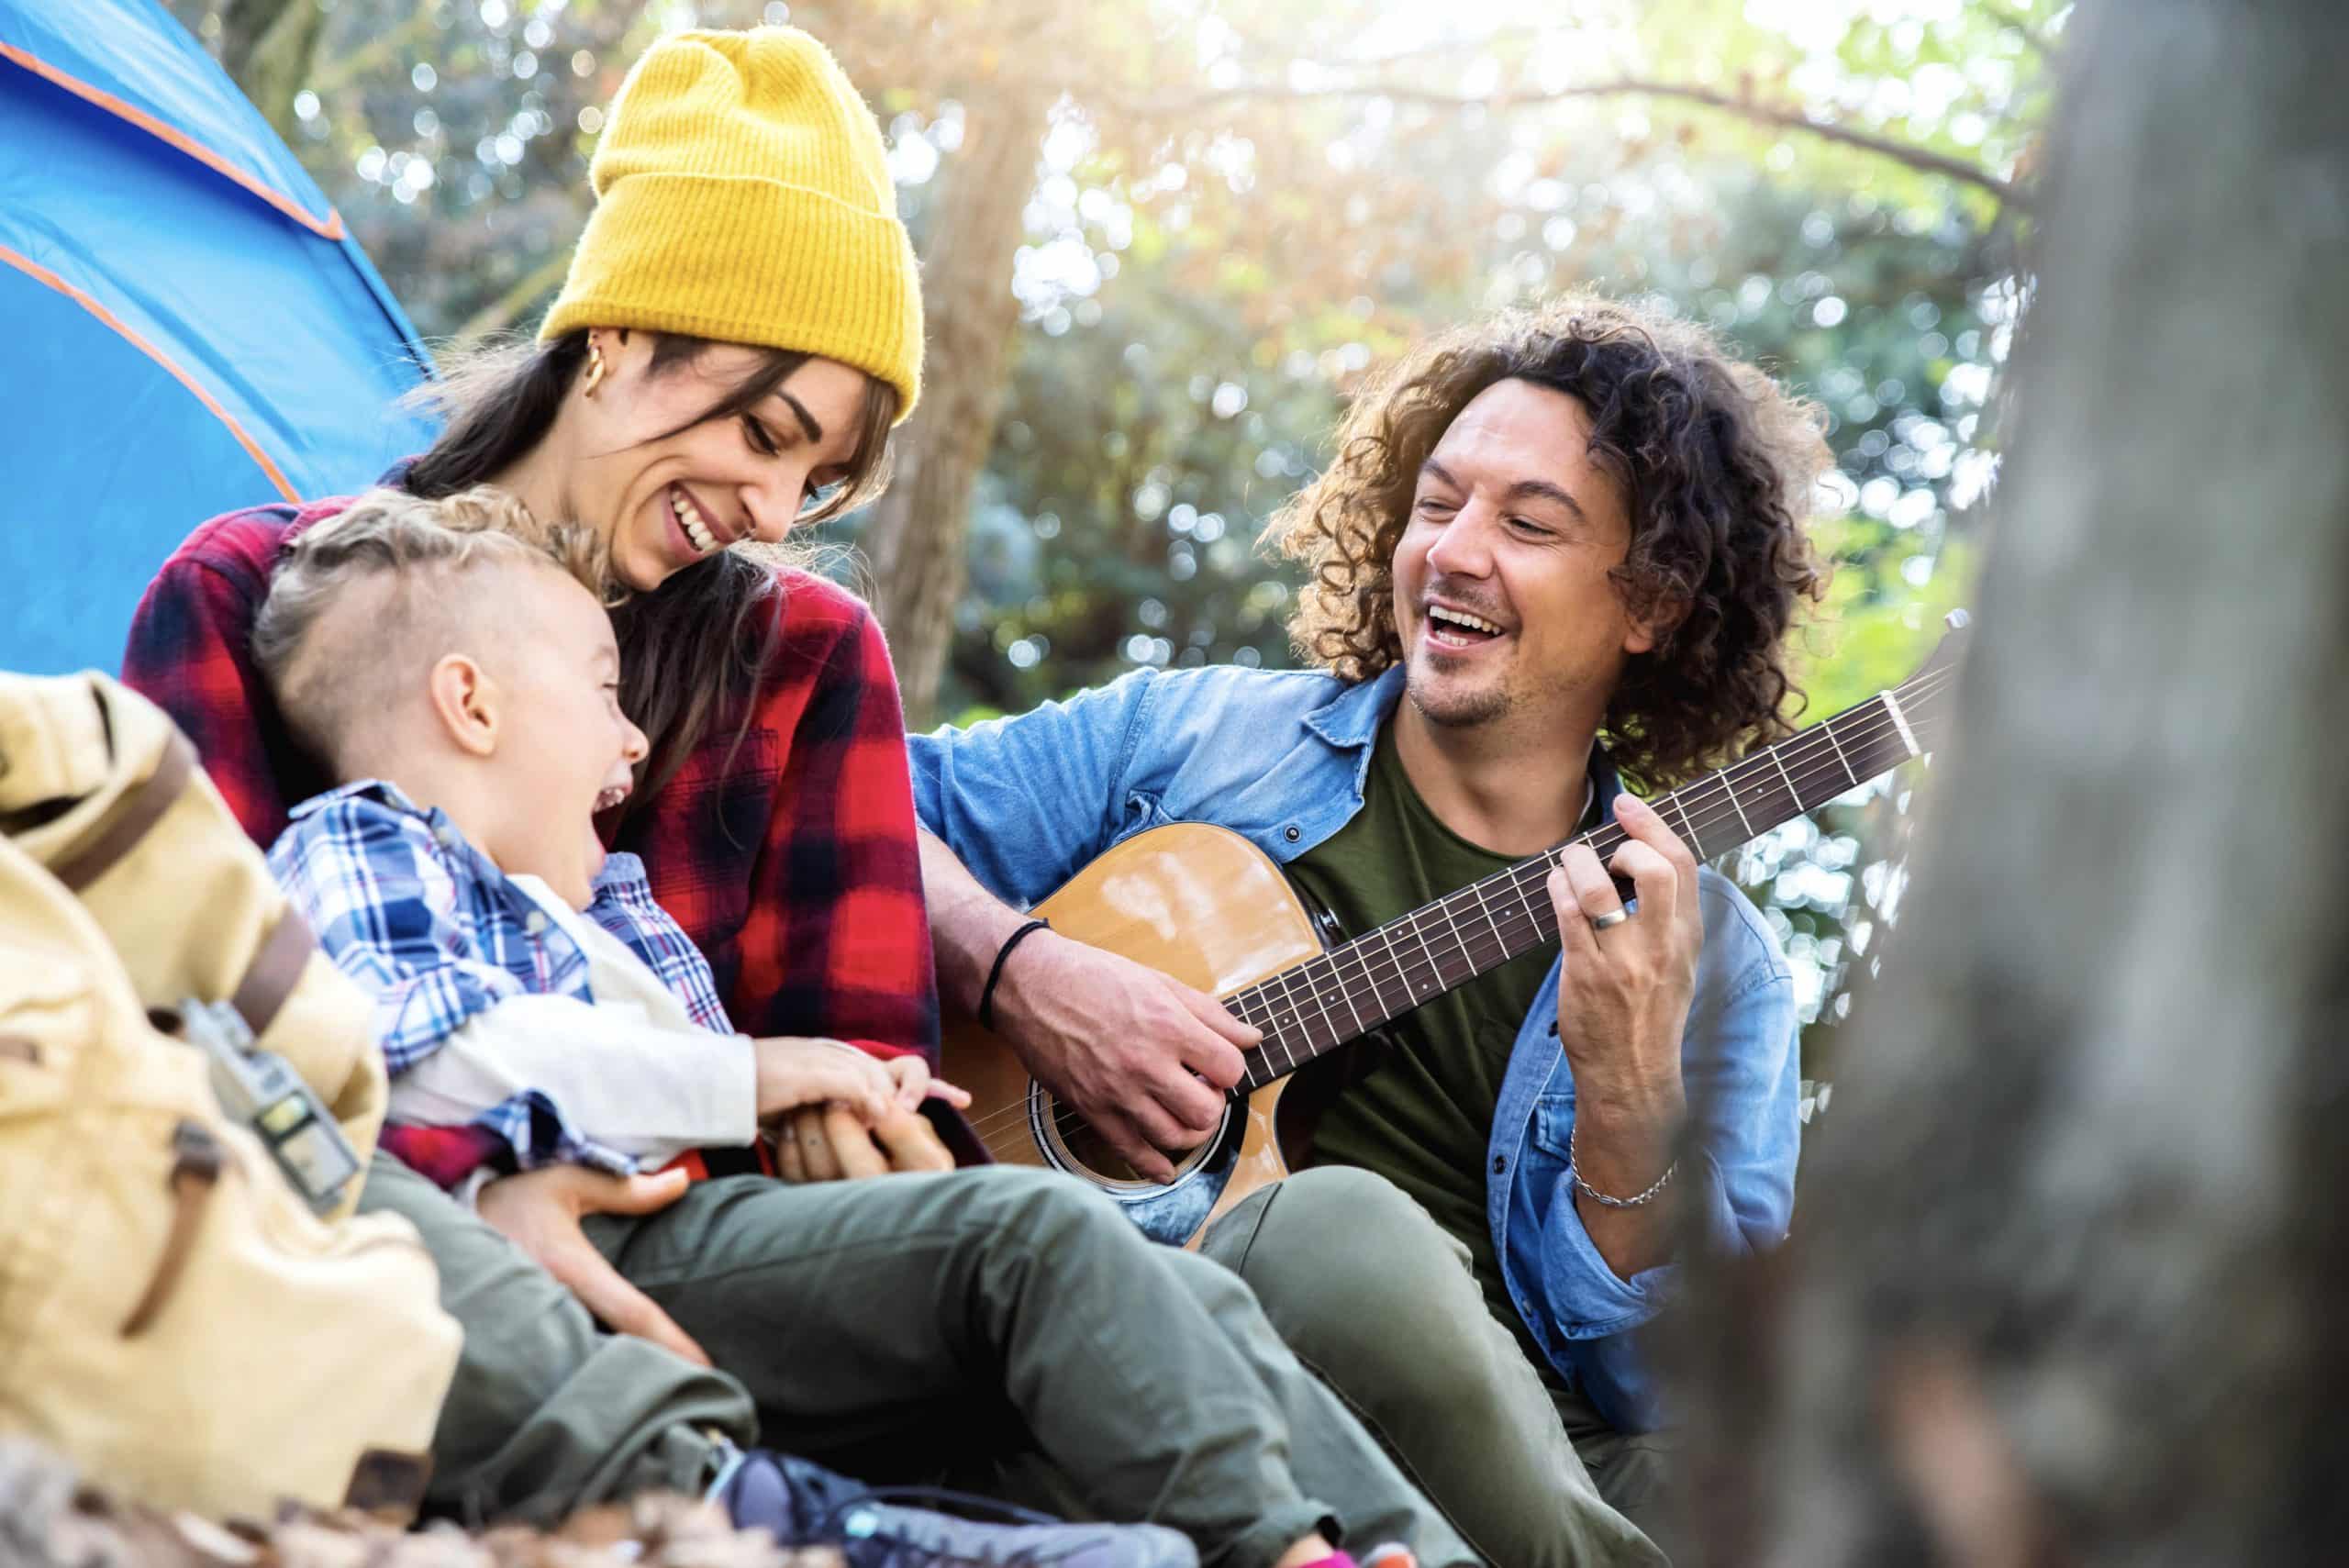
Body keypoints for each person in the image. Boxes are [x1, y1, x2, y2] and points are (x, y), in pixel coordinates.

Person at [119, 28, 1467, 1568]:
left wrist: (822, 1123)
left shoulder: (804, 657)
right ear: (618, 335)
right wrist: (478, 1195)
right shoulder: (260, 598)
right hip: (398, 1263)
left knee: (1171, 1293)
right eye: (766, 431)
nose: (771, 510)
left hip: (765, 1266)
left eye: (816, 477)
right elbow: (193, 1021)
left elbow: (868, 1089)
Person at [250, 484, 1456, 1568]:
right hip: (597, 1264)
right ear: (469, 701)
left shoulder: (599, 900)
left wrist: (858, 1109)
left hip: (727, 1241)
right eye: (607, 691)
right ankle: (1282, 1549)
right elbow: (433, 1056)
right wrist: (756, 1074)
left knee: (1185, 1292)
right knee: (1029, 1235)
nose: (633, 739)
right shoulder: (363, 841)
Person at [910, 295, 1828, 1567]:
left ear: (1652, 605)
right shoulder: (1200, 741)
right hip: (1195, 1346)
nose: (1452, 551)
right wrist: (1021, 969)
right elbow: (853, 796)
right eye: (1436, 502)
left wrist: (1626, 1092)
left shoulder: (1712, 960)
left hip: (1538, 1450)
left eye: (1528, 522)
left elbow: (1668, 1387)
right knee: (1349, 1230)